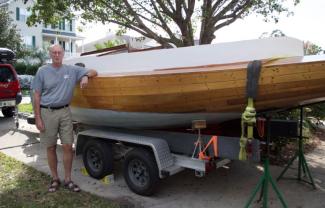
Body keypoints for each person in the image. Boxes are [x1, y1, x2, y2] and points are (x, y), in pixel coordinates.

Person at [32, 44, 97, 193]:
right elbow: (36, 95)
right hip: (47, 112)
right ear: (50, 54)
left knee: (68, 146)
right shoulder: (42, 71)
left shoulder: (71, 70)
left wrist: (85, 76)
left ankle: (68, 179)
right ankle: (55, 178)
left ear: (63, 54)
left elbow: (94, 71)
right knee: (51, 147)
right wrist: (38, 118)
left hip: (65, 112)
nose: (56, 55)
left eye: (59, 52)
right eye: (54, 52)